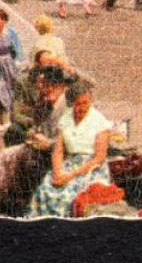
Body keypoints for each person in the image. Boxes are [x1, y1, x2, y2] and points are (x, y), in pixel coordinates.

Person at [0, 62, 72, 213]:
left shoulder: (65, 106)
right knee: (9, 153)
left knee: (24, 159)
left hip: (56, 150)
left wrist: (47, 143)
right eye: (43, 86)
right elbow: (35, 124)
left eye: (47, 86)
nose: (43, 90)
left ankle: (15, 201)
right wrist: (34, 134)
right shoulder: (47, 103)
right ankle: (5, 196)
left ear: (57, 86)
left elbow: (67, 138)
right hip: (43, 145)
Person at [27, 79, 116, 218]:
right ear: (71, 104)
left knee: (68, 197)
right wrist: (57, 173)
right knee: (44, 189)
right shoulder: (66, 118)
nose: (82, 108)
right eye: (77, 104)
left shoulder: (100, 122)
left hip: (90, 169)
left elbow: (99, 158)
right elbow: (58, 150)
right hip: (69, 163)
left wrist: (69, 176)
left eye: (85, 103)